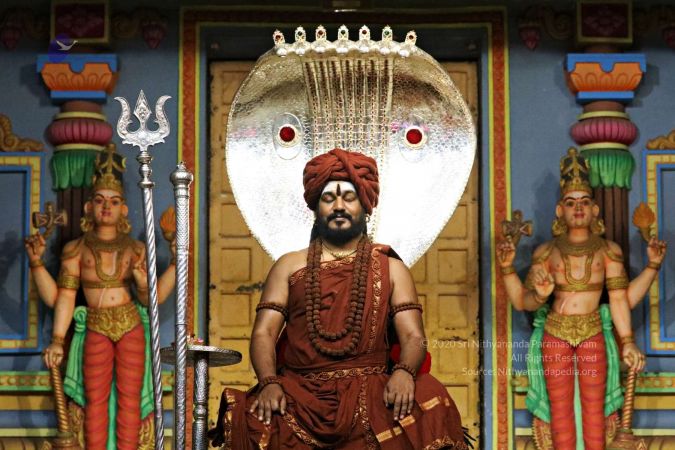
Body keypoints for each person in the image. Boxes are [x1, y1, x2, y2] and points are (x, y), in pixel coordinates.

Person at [209, 148, 468, 449]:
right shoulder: (289, 265)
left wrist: (404, 372)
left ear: (366, 206)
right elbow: (264, 333)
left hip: (371, 390)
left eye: (349, 197)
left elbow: (414, 337)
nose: (339, 206)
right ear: (316, 208)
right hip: (299, 393)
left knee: (432, 398)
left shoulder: (392, 268)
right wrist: (268, 382)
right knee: (251, 419)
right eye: (329, 198)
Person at [496, 148, 667, 450]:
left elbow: (621, 300)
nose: (578, 208)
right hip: (555, 332)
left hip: (592, 332)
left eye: (585, 202)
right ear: (559, 210)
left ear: (595, 210)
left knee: (594, 409)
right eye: (570, 202)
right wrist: (515, 274)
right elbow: (523, 302)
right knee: (560, 411)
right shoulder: (546, 253)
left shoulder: (608, 251)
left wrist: (652, 267)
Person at [24, 145, 176, 450]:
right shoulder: (76, 250)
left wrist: (163, 269)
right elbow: (63, 298)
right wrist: (57, 339)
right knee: (95, 399)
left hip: (131, 325)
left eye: (114, 201)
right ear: (88, 207)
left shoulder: (136, 249)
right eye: (99, 200)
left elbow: (153, 300)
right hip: (95, 325)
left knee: (130, 399)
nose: (106, 207)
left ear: (124, 210)